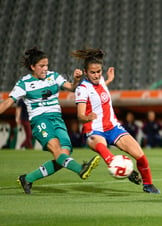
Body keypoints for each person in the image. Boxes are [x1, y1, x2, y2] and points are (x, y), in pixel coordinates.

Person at [0, 47, 100, 194]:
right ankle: (80, 169)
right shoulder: (24, 83)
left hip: (57, 120)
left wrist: (77, 80)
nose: (45, 69)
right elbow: (8, 102)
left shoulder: (53, 76)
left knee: (63, 157)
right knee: (57, 151)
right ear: (32, 67)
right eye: (41, 66)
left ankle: (27, 178)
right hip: (40, 120)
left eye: (46, 65)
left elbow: (71, 88)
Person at [72, 48, 160, 194]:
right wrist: (88, 117)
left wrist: (109, 80)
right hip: (94, 130)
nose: (96, 75)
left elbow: (101, 88)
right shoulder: (82, 89)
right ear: (85, 72)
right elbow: (80, 115)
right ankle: (124, 170)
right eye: (92, 72)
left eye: (99, 71)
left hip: (113, 128)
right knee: (102, 147)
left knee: (141, 156)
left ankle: (148, 185)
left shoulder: (100, 81)